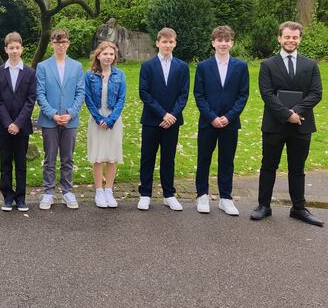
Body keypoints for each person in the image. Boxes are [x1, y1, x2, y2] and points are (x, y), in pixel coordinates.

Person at [250, 21, 323, 227]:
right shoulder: (267, 65)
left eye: (295, 37)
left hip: (302, 123)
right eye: (287, 37)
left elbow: (316, 93)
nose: (291, 40)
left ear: (300, 39)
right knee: (268, 166)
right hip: (274, 124)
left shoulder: (310, 65)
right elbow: (267, 94)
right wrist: (286, 114)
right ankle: (264, 206)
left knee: (297, 168)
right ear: (279, 38)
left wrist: (296, 112)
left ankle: (298, 208)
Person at [193, 26, 249, 216]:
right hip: (208, 121)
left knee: (227, 160)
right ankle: (202, 195)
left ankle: (226, 198)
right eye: (219, 40)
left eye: (227, 40)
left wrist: (229, 116)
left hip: (230, 122)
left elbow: (243, 95)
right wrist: (212, 117)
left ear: (232, 43)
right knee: (204, 158)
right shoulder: (203, 66)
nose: (223, 43)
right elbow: (199, 95)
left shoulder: (240, 66)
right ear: (213, 43)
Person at [138, 27, 189, 211]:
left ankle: (169, 195)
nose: (167, 45)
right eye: (164, 42)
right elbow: (144, 93)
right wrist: (162, 114)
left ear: (175, 43)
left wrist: (172, 115)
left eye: (171, 42)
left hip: (172, 121)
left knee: (168, 158)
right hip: (152, 120)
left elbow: (183, 94)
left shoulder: (182, 67)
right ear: (157, 43)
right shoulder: (147, 66)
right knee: (148, 157)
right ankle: (145, 194)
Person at [36, 28, 85, 210]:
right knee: (49, 158)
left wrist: (71, 113)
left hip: (70, 120)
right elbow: (40, 93)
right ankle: (48, 192)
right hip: (50, 120)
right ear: (52, 44)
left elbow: (80, 92)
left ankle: (67, 191)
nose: (60, 45)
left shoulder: (76, 66)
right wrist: (53, 114)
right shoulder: (43, 67)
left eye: (63, 42)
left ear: (68, 43)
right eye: (57, 42)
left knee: (67, 158)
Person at [0, 32, 37, 212]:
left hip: (22, 126)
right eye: (11, 48)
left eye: (17, 48)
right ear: (5, 49)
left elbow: (30, 100)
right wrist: (8, 123)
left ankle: (20, 197)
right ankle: (7, 196)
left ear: (22, 49)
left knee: (20, 163)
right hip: (4, 126)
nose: (14, 51)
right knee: (5, 162)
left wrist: (18, 123)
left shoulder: (30, 72)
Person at [84, 41, 126, 208]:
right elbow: (87, 98)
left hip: (113, 120)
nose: (108, 57)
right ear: (98, 55)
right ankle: (99, 191)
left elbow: (121, 99)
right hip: (97, 119)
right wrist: (99, 118)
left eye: (111, 54)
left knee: (112, 156)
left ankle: (109, 190)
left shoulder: (120, 75)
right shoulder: (89, 75)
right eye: (105, 54)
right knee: (98, 156)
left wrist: (110, 120)